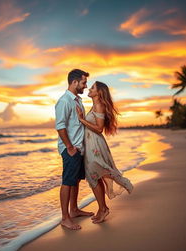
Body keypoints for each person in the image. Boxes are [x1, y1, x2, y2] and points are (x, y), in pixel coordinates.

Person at [76, 81, 133, 224]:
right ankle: (103, 208)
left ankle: (117, 185)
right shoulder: (95, 105)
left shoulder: (99, 104)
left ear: (99, 92)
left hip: (95, 144)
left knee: (94, 174)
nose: (89, 88)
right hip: (91, 144)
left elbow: (99, 128)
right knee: (94, 176)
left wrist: (81, 119)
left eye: (93, 87)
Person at [55, 69, 94, 230]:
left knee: (76, 180)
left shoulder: (77, 100)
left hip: (79, 148)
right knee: (68, 181)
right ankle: (65, 218)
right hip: (70, 149)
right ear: (74, 82)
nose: (86, 86)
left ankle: (74, 209)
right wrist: (70, 147)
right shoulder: (64, 101)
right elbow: (60, 126)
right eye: (84, 82)